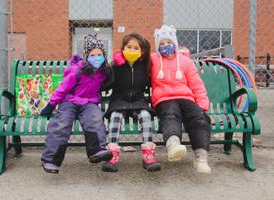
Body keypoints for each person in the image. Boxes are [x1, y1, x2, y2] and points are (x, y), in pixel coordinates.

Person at [40, 34, 113, 173]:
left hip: (90, 102)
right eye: (92, 54)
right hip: (70, 101)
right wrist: (51, 105)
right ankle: (51, 159)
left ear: (104, 55)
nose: (96, 57)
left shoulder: (104, 71)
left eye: (100, 54)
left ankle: (96, 151)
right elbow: (63, 88)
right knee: (61, 125)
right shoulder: (77, 70)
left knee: (95, 120)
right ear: (86, 56)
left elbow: (113, 75)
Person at [151, 25, 211, 173]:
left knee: (199, 118)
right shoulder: (153, 60)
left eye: (169, 42)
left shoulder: (185, 62)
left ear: (175, 44)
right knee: (170, 114)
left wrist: (202, 103)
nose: (166, 46)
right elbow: (137, 56)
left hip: (186, 97)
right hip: (164, 98)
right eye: (162, 44)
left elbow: (196, 84)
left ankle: (201, 158)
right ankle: (173, 147)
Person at [102, 32, 161, 172]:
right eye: (129, 47)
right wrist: (109, 70)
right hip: (119, 100)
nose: (132, 50)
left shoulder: (144, 65)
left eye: (136, 48)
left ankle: (148, 155)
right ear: (122, 48)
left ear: (142, 51)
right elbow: (105, 85)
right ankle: (112, 155)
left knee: (145, 116)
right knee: (115, 117)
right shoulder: (116, 66)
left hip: (138, 100)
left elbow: (154, 79)